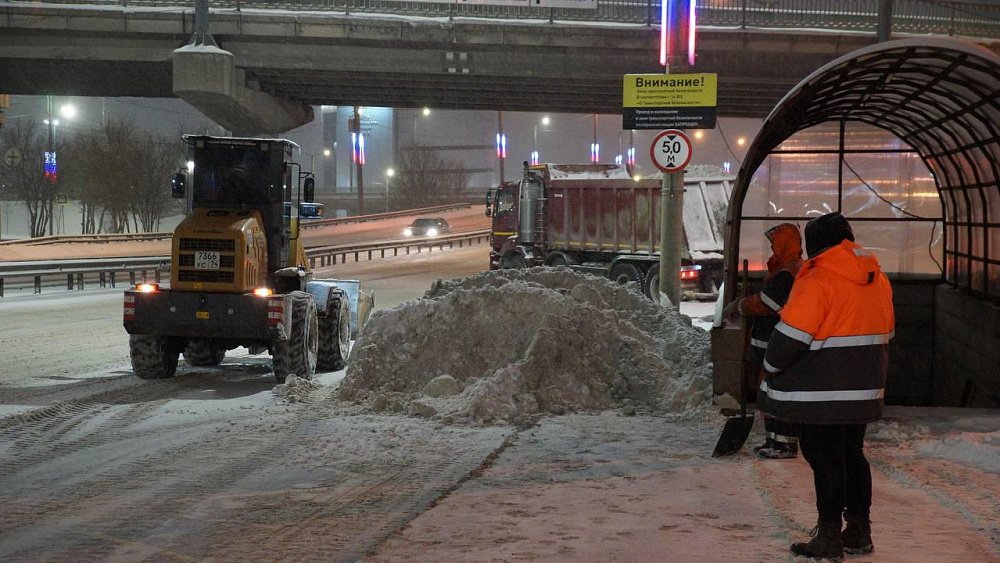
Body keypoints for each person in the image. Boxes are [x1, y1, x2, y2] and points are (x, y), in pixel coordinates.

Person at [759, 212, 894, 559]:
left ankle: (829, 536)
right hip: (863, 388)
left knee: (825, 458)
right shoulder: (877, 277)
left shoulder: (817, 278)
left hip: (821, 392)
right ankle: (859, 530)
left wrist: (769, 366)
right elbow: (888, 330)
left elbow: (791, 337)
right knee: (852, 454)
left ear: (816, 245)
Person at [722, 223, 803, 459]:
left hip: (777, 346)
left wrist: (739, 305)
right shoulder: (786, 269)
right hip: (772, 346)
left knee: (778, 396)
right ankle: (774, 441)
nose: (772, 249)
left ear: (785, 244)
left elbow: (768, 303)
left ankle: (784, 444)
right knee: (770, 395)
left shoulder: (788, 273)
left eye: (775, 244)